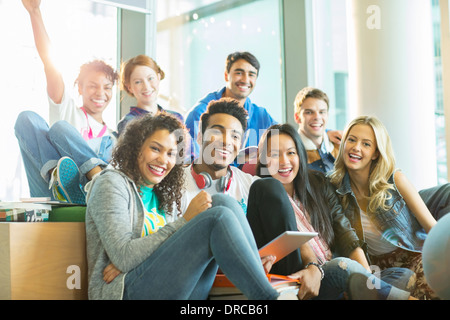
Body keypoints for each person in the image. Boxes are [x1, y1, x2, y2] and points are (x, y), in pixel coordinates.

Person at [85, 113, 285, 300]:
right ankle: (268, 298)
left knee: (224, 202)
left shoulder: (162, 191)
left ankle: (258, 272)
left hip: (171, 284)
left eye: (171, 153)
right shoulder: (111, 183)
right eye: (155, 148)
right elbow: (124, 257)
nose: (163, 160)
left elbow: (160, 251)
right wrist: (183, 222)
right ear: (136, 147)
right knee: (217, 218)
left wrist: (133, 259)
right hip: (125, 291)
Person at [247, 123, 416, 300]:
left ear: (300, 155)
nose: (284, 161)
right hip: (304, 283)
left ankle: (356, 290)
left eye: (291, 152)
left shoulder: (318, 183)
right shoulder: (261, 193)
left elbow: (343, 231)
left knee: (400, 274)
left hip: (337, 275)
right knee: (340, 267)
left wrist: (365, 276)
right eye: (274, 154)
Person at [329, 115, 445, 299]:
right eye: (351, 140)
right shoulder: (334, 189)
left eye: (366, 144)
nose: (356, 147)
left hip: (417, 259)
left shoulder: (395, 180)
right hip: (379, 270)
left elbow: (433, 228)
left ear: (376, 153)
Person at [15, 0, 118, 204]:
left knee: (61, 128)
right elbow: (49, 64)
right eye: (92, 86)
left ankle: (95, 181)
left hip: (91, 195)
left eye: (107, 87)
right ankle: (58, 179)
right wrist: (35, 13)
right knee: (29, 119)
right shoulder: (69, 110)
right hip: (50, 191)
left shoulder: (113, 138)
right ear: (79, 88)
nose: (100, 93)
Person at [185, 51, 277, 164]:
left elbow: (284, 147)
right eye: (239, 73)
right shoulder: (199, 113)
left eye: (251, 74)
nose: (245, 80)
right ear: (226, 75)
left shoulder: (262, 116)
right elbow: (192, 162)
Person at [181, 98, 259, 215]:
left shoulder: (251, 186)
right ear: (200, 136)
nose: (226, 142)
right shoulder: (175, 183)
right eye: (217, 132)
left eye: (235, 136)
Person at [117, 54, 184, 136]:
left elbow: (183, 149)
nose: (146, 87)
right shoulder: (128, 123)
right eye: (138, 82)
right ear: (129, 87)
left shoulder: (176, 117)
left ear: (158, 78)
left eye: (150, 78)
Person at [294, 87, 340, 173]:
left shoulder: (340, 147)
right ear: (297, 117)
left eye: (322, 112)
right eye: (309, 112)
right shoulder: (292, 153)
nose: (317, 117)